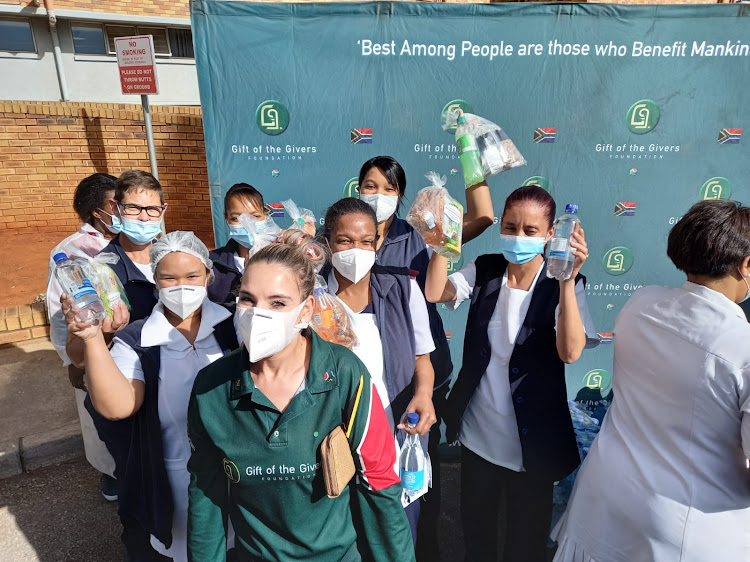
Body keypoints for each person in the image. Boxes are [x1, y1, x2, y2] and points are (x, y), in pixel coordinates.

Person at [187, 243, 415, 562]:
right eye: (247, 300)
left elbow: (379, 483)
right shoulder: (211, 388)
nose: (258, 313)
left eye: (278, 302)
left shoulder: (345, 375)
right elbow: (206, 494)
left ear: (306, 310)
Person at [552, 200, 750, 562]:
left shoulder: (641, 304)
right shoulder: (743, 347)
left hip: (603, 505)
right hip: (686, 533)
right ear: (746, 265)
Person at [425, 185, 598, 562]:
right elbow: (436, 291)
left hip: (532, 443)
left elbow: (570, 352)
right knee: (478, 536)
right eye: (511, 226)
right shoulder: (487, 269)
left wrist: (567, 279)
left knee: (525, 542)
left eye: (530, 231)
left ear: (551, 234)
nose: (518, 237)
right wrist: (445, 243)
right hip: (478, 436)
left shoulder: (565, 286)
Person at [64, 231, 238, 562]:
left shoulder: (234, 326)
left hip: (238, 476)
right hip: (172, 482)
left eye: (192, 276)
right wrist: (90, 337)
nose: (182, 286)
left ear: (208, 276)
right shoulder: (138, 340)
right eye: (169, 278)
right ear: (155, 281)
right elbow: (118, 405)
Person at [356, 155, 494, 559]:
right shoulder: (344, 236)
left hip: (420, 372)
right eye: (369, 185)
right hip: (363, 372)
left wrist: (471, 156)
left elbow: (484, 217)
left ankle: (424, 549)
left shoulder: (421, 234)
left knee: (418, 470)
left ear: (400, 196)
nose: (377, 195)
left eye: (388, 188)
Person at [321, 197, 436, 542]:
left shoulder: (401, 288)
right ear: (327, 243)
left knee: (393, 533)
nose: (355, 249)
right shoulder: (311, 297)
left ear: (377, 243)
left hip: (392, 432)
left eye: (366, 241)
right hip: (330, 438)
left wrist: (425, 395)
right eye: (344, 240)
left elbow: (422, 358)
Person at [46, 173, 119, 501]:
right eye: (115, 204)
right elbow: (58, 312)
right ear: (95, 211)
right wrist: (71, 361)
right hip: (93, 347)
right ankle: (112, 476)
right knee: (99, 415)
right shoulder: (71, 252)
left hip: (131, 344)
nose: (123, 211)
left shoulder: (132, 241)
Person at [208, 183, 267, 305]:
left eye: (255, 216)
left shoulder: (283, 259)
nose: (247, 224)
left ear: (265, 216)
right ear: (226, 219)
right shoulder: (211, 263)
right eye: (236, 218)